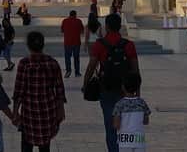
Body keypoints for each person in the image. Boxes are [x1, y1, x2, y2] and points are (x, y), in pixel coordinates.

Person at [84, 13, 140, 152]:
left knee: (110, 127)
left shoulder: (99, 44)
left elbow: (91, 66)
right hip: (125, 91)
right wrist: (137, 93)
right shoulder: (129, 45)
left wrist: (85, 84)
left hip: (107, 89)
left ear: (107, 27)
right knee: (127, 126)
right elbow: (135, 70)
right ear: (120, 26)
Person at [12, 32, 66, 152]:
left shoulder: (24, 64)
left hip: (29, 112)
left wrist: (15, 112)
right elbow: (59, 89)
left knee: (26, 145)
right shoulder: (52, 63)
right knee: (45, 146)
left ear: (28, 45)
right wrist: (61, 110)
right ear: (43, 44)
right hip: (48, 111)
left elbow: (19, 91)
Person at [112, 73, 151, 151]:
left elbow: (116, 125)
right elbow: (146, 121)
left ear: (123, 87)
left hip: (125, 141)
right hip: (139, 141)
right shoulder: (142, 103)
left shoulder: (119, 104)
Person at [60, 10, 85, 77]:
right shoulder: (78, 21)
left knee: (67, 57)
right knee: (76, 58)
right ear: (75, 15)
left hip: (67, 42)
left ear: (69, 14)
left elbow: (62, 30)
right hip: (76, 42)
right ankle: (77, 72)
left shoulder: (65, 21)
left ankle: (68, 71)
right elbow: (82, 31)